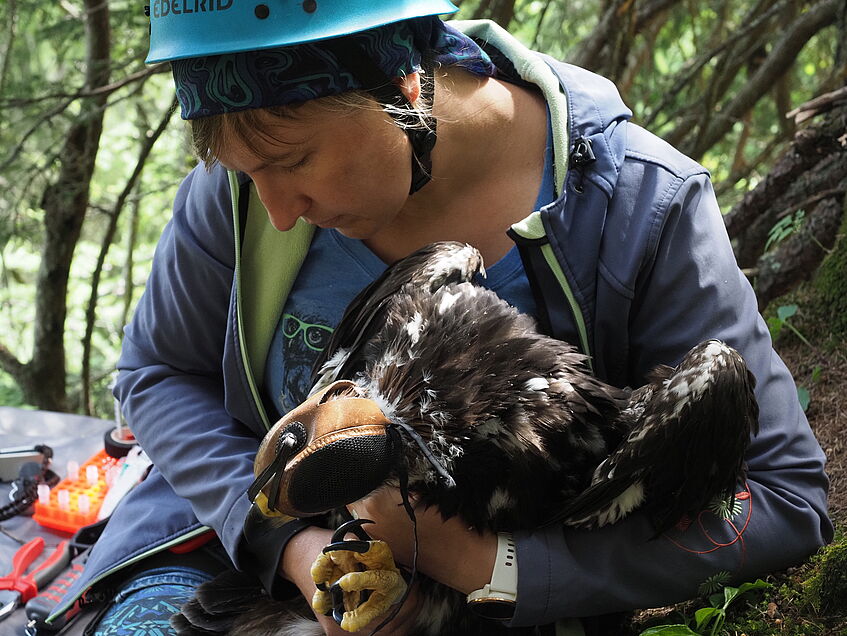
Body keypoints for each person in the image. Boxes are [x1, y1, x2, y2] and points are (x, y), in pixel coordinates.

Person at [56, 1, 833, 634]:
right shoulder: (241, 192)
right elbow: (158, 373)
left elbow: (785, 503)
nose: (278, 213)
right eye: (245, 172)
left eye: (293, 163)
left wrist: (489, 565)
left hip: (498, 585)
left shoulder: (640, 206)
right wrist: (293, 546)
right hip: (229, 545)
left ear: (403, 82)